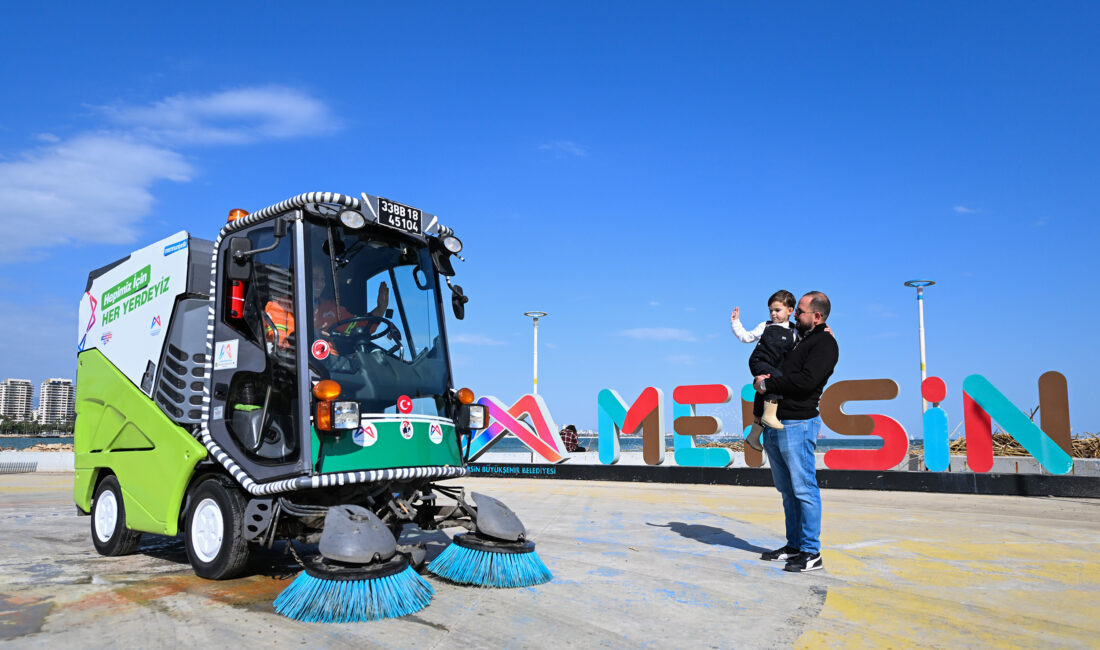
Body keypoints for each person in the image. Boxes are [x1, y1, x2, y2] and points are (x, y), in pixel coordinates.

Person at [753, 291, 839, 573]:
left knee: (804, 489)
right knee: (787, 491)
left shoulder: (825, 343)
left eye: (799, 312)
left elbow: (805, 381)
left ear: (816, 316)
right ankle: (794, 545)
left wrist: (768, 385)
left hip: (799, 424)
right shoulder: (799, 338)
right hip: (777, 421)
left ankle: (811, 552)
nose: (794, 315)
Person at [731, 290, 798, 450]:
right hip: (759, 362)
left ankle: (753, 435)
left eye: (777, 310)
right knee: (776, 380)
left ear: (790, 311)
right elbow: (746, 337)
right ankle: (769, 415)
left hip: (775, 367)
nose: (773, 314)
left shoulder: (795, 332)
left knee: (762, 392)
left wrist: (826, 332)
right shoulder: (765, 326)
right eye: (771, 310)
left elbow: (805, 344)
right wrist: (736, 323)